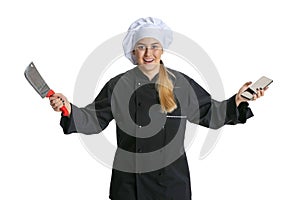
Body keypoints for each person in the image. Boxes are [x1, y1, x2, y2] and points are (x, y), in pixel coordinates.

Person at [49, 17, 266, 200]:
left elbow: (210, 112)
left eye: (154, 46)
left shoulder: (181, 83)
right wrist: (69, 108)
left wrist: (238, 100)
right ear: (133, 52)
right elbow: (94, 119)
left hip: (171, 186)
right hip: (129, 188)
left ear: (162, 50)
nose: (148, 53)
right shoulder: (118, 85)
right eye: (142, 46)